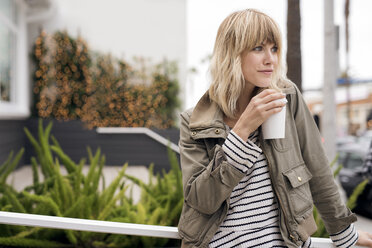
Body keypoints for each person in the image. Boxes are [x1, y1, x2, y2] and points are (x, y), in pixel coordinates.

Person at [178, 9, 372, 248]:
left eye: (274, 48)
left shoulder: (286, 99)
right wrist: (242, 131)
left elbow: (318, 169)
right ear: (231, 53)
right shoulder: (194, 122)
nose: (270, 59)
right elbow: (201, 200)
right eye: (258, 48)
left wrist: (343, 233)